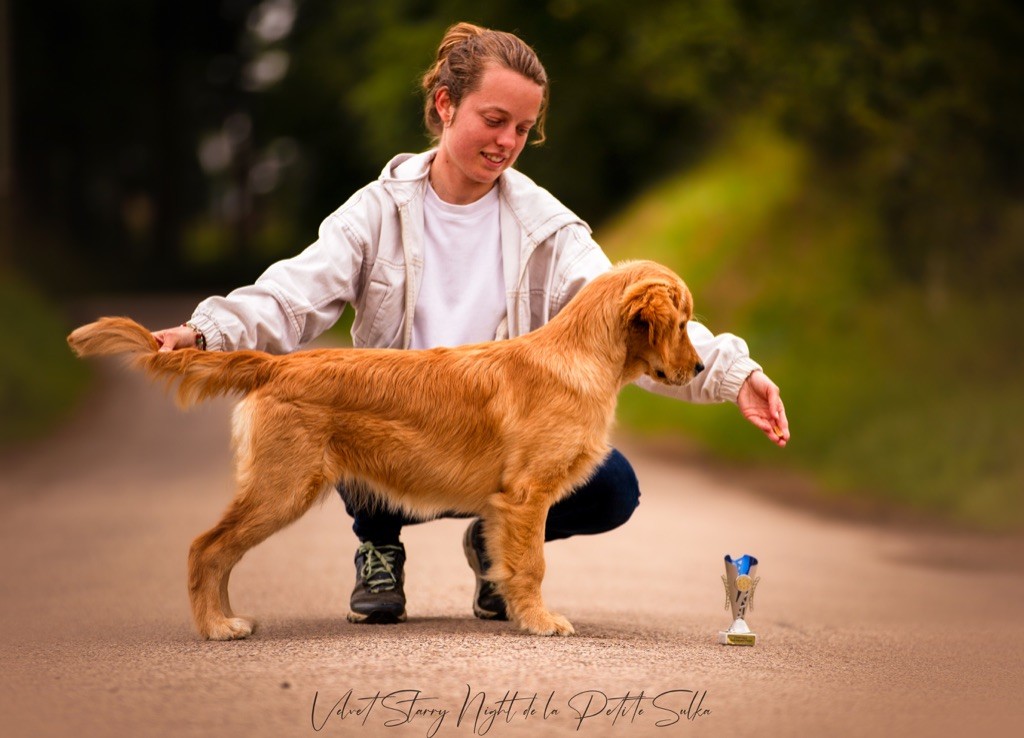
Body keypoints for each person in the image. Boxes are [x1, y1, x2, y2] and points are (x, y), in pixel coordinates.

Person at [153, 22, 790, 626]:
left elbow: (635, 324)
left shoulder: (549, 226)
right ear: (445, 105)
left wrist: (737, 376)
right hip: (394, 428)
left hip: (487, 443)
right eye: (494, 120)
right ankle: (379, 550)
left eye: (523, 128)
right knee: (345, 419)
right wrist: (208, 333)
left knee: (611, 483)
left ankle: (493, 556)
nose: (507, 141)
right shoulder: (375, 212)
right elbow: (292, 294)